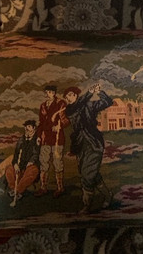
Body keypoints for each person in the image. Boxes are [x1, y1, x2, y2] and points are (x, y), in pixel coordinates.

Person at [64, 83, 114, 214]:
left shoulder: (88, 105)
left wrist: (99, 91)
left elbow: (108, 102)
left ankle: (87, 204)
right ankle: (108, 196)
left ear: (76, 95)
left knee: (87, 174)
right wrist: (90, 93)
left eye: (70, 95)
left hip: (94, 143)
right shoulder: (69, 110)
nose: (67, 98)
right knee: (91, 174)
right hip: (80, 144)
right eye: (66, 96)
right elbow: (77, 108)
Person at [36, 84, 69, 197]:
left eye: (49, 92)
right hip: (45, 138)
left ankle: (60, 188)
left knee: (57, 162)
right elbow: (41, 123)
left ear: (54, 93)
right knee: (43, 162)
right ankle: (43, 187)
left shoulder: (61, 104)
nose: (47, 94)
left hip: (57, 138)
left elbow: (65, 120)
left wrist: (60, 126)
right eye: (46, 92)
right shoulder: (43, 106)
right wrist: (39, 136)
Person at [5, 119, 40, 206]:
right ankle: (14, 189)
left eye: (29, 127)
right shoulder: (21, 140)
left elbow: (36, 154)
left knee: (32, 171)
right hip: (20, 166)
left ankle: (19, 191)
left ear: (34, 128)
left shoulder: (37, 139)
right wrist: (15, 164)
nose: (26, 129)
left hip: (31, 166)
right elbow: (16, 155)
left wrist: (31, 162)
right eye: (25, 127)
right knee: (9, 169)